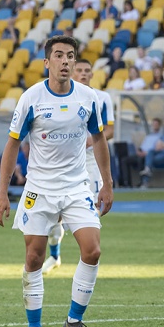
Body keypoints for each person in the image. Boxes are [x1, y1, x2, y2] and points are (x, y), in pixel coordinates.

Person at [0, 36, 114, 327]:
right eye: (58, 55)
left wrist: (107, 183)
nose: (65, 61)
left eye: (70, 56)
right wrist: (2, 192)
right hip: (39, 189)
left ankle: (74, 321)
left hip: (76, 187)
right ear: (47, 62)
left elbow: (100, 139)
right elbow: (13, 144)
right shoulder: (31, 98)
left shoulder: (88, 98)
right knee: (34, 257)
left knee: (93, 250)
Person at [43, 59, 116, 274]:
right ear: (73, 73)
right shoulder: (58, 98)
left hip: (91, 162)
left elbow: (109, 130)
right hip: (63, 163)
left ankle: (89, 259)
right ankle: (54, 255)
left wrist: (89, 141)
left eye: (87, 71)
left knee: (91, 210)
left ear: (92, 75)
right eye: (80, 70)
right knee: (54, 217)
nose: (83, 74)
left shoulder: (102, 98)